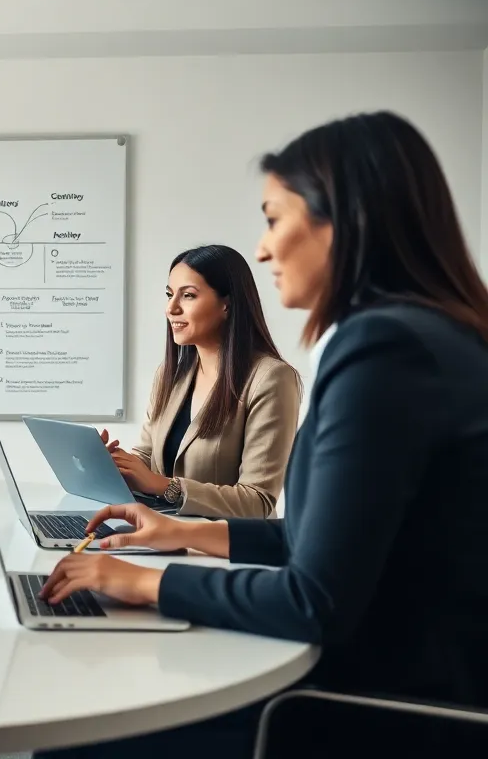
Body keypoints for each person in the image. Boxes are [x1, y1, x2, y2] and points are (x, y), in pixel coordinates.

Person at [35, 111, 488, 757]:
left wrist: (137, 582)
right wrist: (181, 532)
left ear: (346, 221)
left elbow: (315, 599)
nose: (263, 247)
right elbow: (325, 539)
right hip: (405, 684)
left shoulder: (383, 350)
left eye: (275, 218)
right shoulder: (436, 337)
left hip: (368, 709)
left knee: (77, 731)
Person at [100, 244, 301, 518]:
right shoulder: (169, 375)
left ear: (226, 304)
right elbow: (147, 458)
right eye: (170, 295)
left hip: (221, 547)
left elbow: (258, 502)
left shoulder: (271, 379)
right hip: (158, 532)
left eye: (188, 296)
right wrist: (117, 465)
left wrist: (167, 487)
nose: (171, 308)